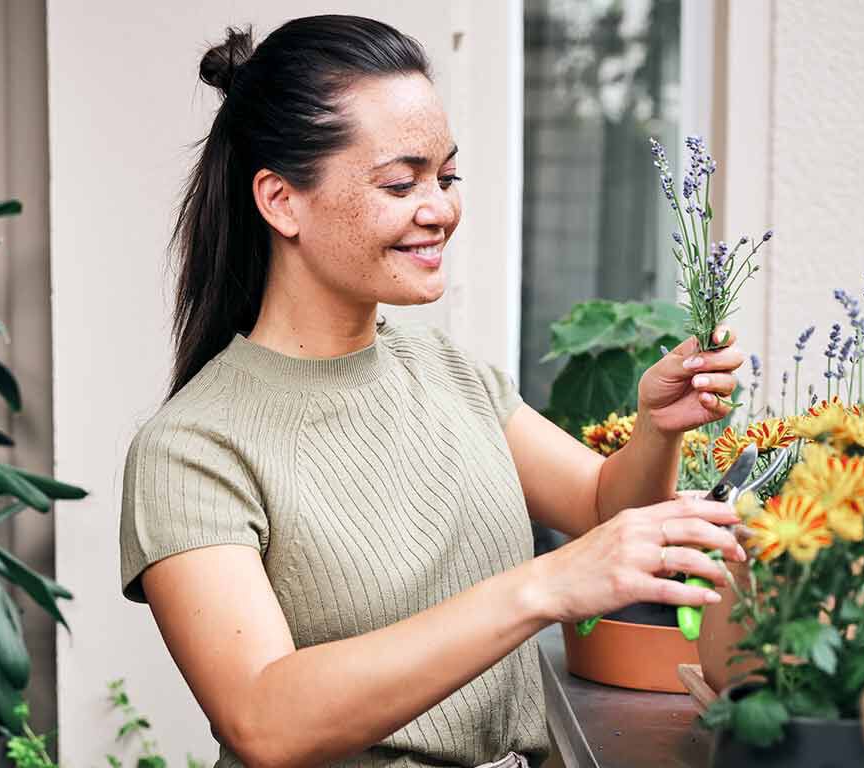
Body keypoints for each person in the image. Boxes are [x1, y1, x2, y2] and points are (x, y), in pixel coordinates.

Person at [119, 14, 746, 768]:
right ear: (281, 200)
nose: (441, 208)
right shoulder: (192, 450)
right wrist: (542, 587)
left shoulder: (447, 372)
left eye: (446, 177)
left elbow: (606, 509)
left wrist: (658, 426)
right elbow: (264, 719)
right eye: (400, 181)